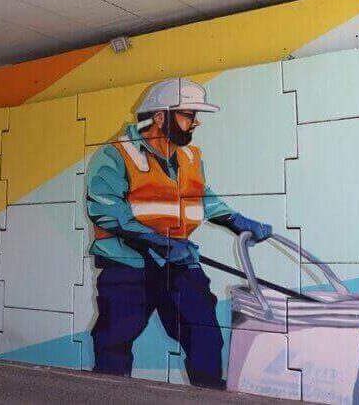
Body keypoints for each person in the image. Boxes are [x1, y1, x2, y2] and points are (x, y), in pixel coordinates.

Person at [85, 78, 272, 388]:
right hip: (128, 269)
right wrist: (158, 241)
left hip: (180, 266)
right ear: (161, 117)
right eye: (188, 114)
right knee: (114, 343)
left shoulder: (189, 157)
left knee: (205, 336)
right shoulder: (115, 155)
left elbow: (203, 197)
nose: (195, 122)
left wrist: (236, 220)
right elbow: (106, 210)